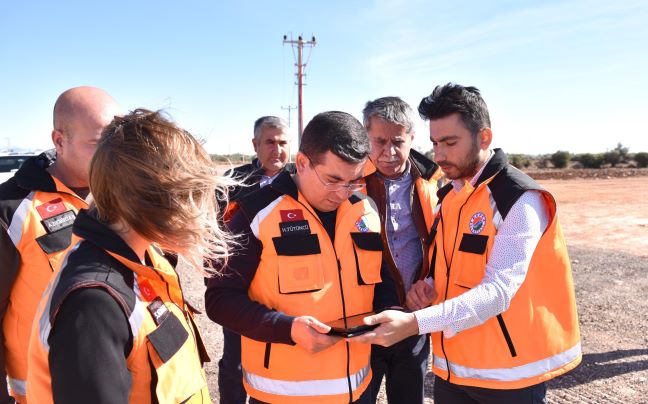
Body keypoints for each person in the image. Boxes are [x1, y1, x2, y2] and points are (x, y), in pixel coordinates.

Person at [352, 83, 581, 403]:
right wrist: (429, 286)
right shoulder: (451, 198)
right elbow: (451, 267)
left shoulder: (518, 200)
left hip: (509, 377)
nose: (439, 154)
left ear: (483, 137)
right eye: (435, 143)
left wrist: (414, 322)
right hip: (453, 373)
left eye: (449, 142)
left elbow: (499, 291)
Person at [27, 109, 234, 403]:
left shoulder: (146, 257)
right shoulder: (94, 301)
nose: (198, 210)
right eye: (188, 195)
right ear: (150, 198)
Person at [205, 111, 399, 404]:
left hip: (358, 391)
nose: (343, 193)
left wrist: (391, 309)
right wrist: (289, 329)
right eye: (333, 179)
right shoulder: (255, 214)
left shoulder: (366, 210)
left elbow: (380, 282)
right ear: (303, 163)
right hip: (281, 395)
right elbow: (220, 301)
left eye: (354, 181)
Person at [0, 86, 120, 404]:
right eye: (97, 144)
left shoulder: (124, 198)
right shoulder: (11, 208)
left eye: (115, 143)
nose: (111, 155)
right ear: (59, 141)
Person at [362, 96, 442, 403]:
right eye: (379, 141)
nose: (389, 152)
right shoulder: (349, 182)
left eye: (398, 141)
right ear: (365, 136)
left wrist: (429, 285)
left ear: (412, 138)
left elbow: (443, 247)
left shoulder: (435, 184)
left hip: (414, 321)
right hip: (363, 322)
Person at [217, 116, 294, 404]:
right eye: (270, 142)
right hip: (239, 289)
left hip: (281, 288)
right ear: (255, 144)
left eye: (283, 142)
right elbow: (214, 235)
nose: (277, 149)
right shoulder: (231, 183)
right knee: (235, 361)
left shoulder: (300, 183)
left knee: (278, 357)